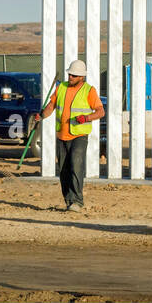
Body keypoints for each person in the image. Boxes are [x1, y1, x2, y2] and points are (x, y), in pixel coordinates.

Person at [33, 59, 104, 212]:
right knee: (64, 170)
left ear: (82, 77)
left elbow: (100, 111)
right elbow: (51, 105)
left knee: (76, 165)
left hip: (79, 135)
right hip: (62, 135)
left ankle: (77, 201)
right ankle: (69, 201)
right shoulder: (61, 87)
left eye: (74, 75)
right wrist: (42, 115)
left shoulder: (89, 90)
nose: (70, 77)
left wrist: (86, 118)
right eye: (70, 74)